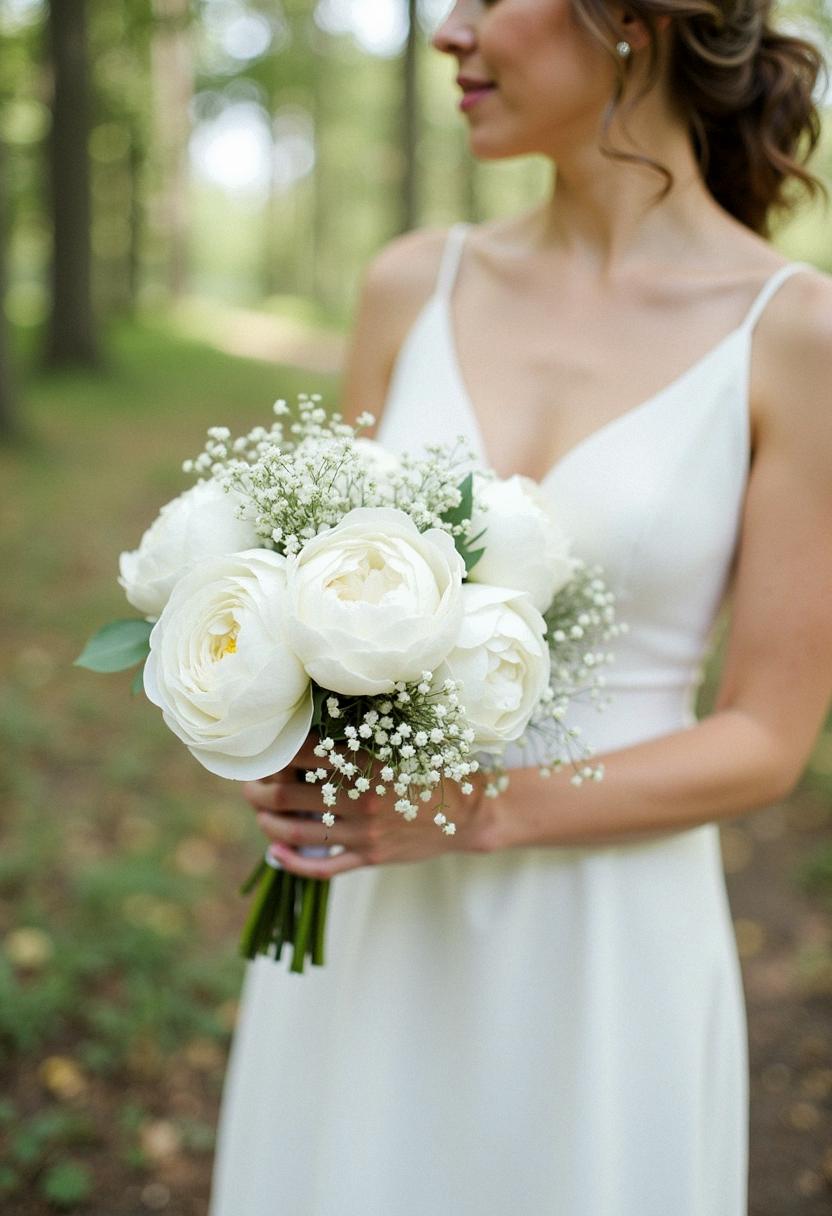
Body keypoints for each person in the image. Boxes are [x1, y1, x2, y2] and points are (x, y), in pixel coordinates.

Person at [210, 1, 832, 1212]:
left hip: (607, 936)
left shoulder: (795, 335)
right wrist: (278, 729)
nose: (449, 32)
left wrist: (476, 810)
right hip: (372, 912)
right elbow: (314, 589)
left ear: (634, 19)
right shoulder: (410, 283)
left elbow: (766, 737)